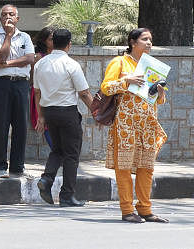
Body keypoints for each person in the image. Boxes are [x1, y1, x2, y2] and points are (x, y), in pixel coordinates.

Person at [101, 27, 168, 223]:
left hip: (147, 124)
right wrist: (125, 80)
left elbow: (155, 98)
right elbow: (106, 87)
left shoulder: (153, 66)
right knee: (123, 167)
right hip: (126, 124)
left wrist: (161, 95)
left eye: (150, 40)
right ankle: (127, 210)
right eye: (145, 39)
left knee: (146, 168)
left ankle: (145, 209)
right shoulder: (119, 62)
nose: (149, 43)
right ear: (132, 42)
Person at [33, 28, 95, 207]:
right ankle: (67, 195)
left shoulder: (40, 64)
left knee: (58, 150)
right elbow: (84, 93)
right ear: (69, 44)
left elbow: (37, 92)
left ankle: (46, 180)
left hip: (49, 112)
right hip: (67, 113)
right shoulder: (71, 65)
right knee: (71, 155)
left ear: (52, 42)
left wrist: (41, 117)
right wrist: (96, 113)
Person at [0, 4, 34, 177]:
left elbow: (29, 58)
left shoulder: (25, 37)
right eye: (5, 14)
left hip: (21, 84)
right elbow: (0, 56)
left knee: (21, 127)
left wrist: (5, 64)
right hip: (1, 85)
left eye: (11, 14)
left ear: (17, 18)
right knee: (0, 125)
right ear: (0, 18)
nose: (8, 17)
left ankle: (17, 167)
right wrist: (8, 35)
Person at [29, 27, 55, 149]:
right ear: (44, 41)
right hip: (41, 93)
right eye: (51, 39)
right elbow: (34, 78)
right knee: (46, 124)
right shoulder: (39, 57)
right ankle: (56, 152)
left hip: (55, 93)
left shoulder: (58, 55)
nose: (54, 42)